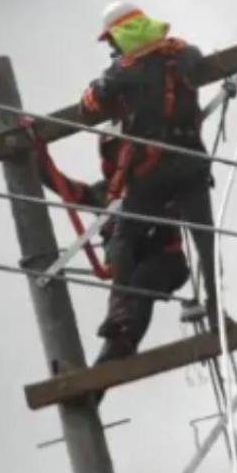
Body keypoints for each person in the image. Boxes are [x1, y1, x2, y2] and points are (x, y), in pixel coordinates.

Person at [79, 1, 223, 335]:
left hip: (150, 171)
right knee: (206, 241)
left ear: (123, 35)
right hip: (191, 163)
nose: (112, 48)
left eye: (112, 40)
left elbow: (89, 106)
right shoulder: (183, 53)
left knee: (123, 237)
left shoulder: (122, 71)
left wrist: (105, 87)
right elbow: (196, 59)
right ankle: (217, 314)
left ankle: (121, 312)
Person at [32, 128, 190, 371]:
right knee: (121, 327)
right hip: (128, 271)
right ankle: (98, 375)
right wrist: (36, 154)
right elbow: (62, 185)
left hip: (165, 260)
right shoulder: (102, 193)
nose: (123, 155)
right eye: (115, 151)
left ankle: (122, 337)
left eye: (126, 149)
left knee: (139, 284)